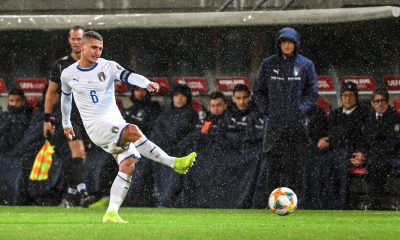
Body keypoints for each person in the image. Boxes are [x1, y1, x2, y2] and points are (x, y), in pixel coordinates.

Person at [60, 31, 196, 223]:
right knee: (132, 130)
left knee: (128, 164)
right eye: (93, 47)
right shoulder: (68, 74)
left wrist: (146, 82)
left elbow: (128, 76)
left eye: (100, 48)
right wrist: (66, 123)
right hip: (96, 128)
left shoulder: (108, 66)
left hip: (115, 124)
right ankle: (173, 163)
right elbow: (66, 100)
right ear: (82, 47)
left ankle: (112, 213)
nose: (97, 52)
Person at [253, 27, 319, 207]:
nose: (287, 45)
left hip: (297, 124)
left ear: (296, 44)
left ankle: (298, 203)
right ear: (279, 44)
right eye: (284, 42)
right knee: (272, 165)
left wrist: (300, 110)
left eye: (291, 42)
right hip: (274, 124)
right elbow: (258, 91)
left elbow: (312, 93)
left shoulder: (306, 64)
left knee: (297, 165)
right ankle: (272, 203)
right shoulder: (268, 64)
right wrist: (267, 110)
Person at [43, 25, 96, 208]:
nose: (76, 42)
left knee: (81, 157)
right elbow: (51, 93)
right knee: (78, 152)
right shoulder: (61, 65)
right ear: (69, 40)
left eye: (79, 39)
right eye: (73, 38)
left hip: (88, 116)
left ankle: (71, 194)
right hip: (68, 115)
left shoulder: (94, 63)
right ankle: (83, 192)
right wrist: (47, 118)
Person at [316, 82, 368, 209]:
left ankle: (339, 206)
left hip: (351, 154)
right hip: (332, 152)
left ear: (356, 97)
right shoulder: (335, 114)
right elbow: (328, 135)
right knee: (319, 163)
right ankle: (322, 205)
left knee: (341, 160)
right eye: (344, 95)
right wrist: (322, 141)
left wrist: (363, 153)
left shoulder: (365, 114)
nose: (348, 98)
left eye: (351, 95)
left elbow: (367, 138)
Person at [361, 88, 400, 209]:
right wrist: (362, 154)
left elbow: (393, 142)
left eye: (383, 100)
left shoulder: (396, 118)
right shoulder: (367, 118)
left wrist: (369, 155)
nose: (380, 103)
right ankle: (377, 201)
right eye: (377, 101)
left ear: (388, 102)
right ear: (372, 103)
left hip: (392, 155)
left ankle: (376, 201)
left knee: (376, 163)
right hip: (372, 156)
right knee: (374, 163)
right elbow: (363, 140)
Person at [0, 87, 33, 152]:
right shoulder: (4, 116)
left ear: (23, 101)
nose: (14, 104)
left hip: (17, 155)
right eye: (11, 101)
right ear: (8, 101)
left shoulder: (28, 118)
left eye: (18, 101)